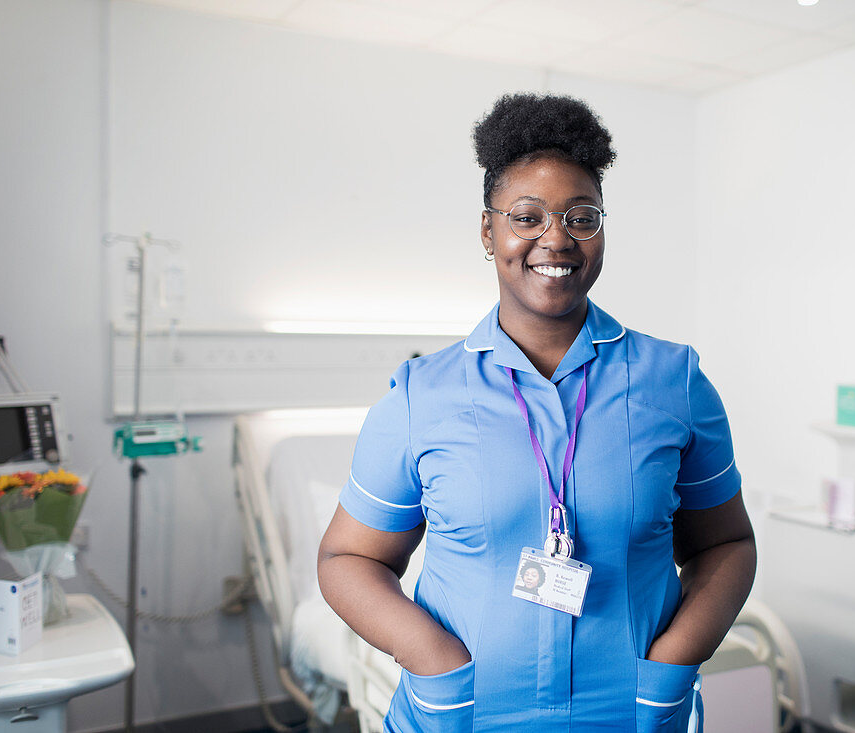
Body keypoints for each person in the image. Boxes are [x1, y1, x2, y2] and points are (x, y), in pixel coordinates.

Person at [318, 93, 756, 732]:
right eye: (527, 216)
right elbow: (348, 560)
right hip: (462, 716)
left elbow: (727, 544)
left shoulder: (674, 381)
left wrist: (675, 660)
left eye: (582, 216)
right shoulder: (421, 395)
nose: (556, 238)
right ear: (488, 231)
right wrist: (434, 659)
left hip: (628, 715)